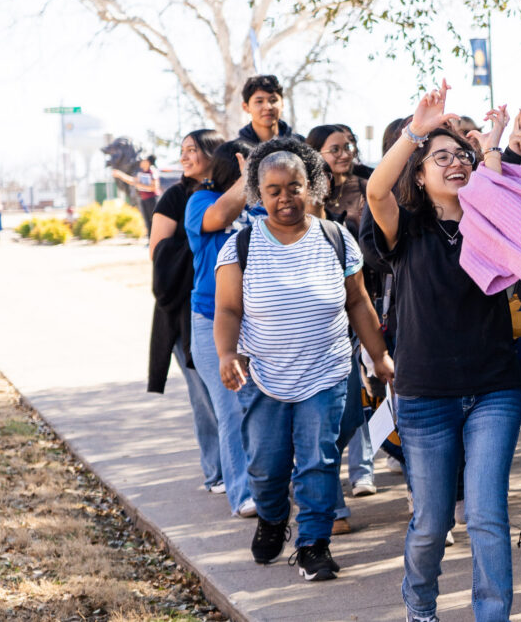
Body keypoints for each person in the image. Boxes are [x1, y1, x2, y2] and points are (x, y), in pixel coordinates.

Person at [365, 84, 521, 622]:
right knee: (433, 521)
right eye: (442, 157)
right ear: (420, 172)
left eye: (462, 155)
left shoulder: (491, 220)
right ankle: (420, 604)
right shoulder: (406, 230)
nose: (455, 163)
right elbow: (375, 191)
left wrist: (495, 141)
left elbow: (520, 180)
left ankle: (492, 615)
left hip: (494, 390)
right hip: (425, 395)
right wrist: (416, 130)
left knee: (486, 515)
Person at [213, 136, 392, 582]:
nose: (284, 198)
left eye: (293, 186)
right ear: (258, 192)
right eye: (272, 190)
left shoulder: (337, 239)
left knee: (319, 460)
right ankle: (274, 518)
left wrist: (380, 356)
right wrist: (226, 352)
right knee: (266, 465)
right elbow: (228, 309)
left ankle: (313, 544)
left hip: (327, 371)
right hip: (266, 375)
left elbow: (359, 303)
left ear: (310, 185)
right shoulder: (240, 246)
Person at [146, 130, 228, 493]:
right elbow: (157, 252)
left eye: (192, 150)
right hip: (185, 309)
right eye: (182, 151)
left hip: (232, 307)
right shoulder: (176, 196)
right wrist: (201, 243)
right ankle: (216, 472)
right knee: (205, 395)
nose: (185, 157)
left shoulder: (229, 196)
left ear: (214, 153)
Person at [185, 138, 260, 518]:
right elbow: (218, 218)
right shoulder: (200, 201)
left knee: (264, 410)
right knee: (231, 408)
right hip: (211, 321)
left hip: (261, 322)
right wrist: (247, 178)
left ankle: (270, 484)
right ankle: (243, 493)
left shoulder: (264, 207)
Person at [307, 123, 379, 508]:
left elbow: (362, 285)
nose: (345, 153)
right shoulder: (281, 215)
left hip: (354, 315)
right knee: (328, 420)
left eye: (348, 146)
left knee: (354, 411)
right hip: (309, 334)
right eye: (334, 148)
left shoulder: (366, 188)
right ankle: (328, 502)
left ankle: (357, 472)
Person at [236, 74, 292, 145]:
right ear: (246, 107)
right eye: (259, 101)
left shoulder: (301, 146)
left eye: (273, 100)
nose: (268, 107)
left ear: (282, 103)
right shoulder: (234, 151)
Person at [113, 155, 162, 229]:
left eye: (143, 160)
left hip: (152, 200)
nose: (141, 162)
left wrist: (140, 185)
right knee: (148, 224)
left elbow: (155, 187)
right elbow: (132, 181)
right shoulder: (142, 173)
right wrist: (120, 174)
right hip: (144, 200)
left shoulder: (152, 172)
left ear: (147, 162)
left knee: (154, 223)